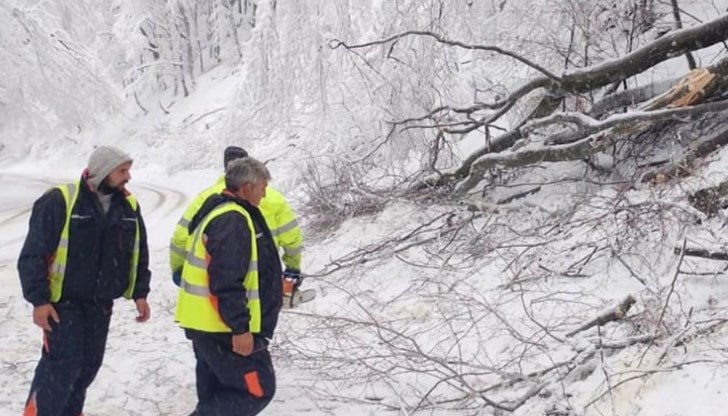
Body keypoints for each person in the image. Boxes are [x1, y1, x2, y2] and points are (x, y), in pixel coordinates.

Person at [18, 145, 152, 416]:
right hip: (63, 304)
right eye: (122, 171)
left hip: (101, 304)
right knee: (61, 367)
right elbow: (34, 252)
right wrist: (39, 300)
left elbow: (138, 252)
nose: (128, 177)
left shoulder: (128, 206)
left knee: (88, 366)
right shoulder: (61, 200)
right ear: (104, 172)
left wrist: (140, 293)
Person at [175, 157, 282, 416]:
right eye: (262, 187)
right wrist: (240, 328)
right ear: (246, 188)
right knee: (256, 390)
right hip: (221, 327)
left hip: (207, 325)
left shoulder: (219, 210)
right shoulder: (232, 219)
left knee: (215, 391)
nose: (265, 194)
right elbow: (226, 280)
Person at [170, 145, 304, 307]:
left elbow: (181, 237)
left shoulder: (206, 198)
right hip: (262, 278)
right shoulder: (272, 197)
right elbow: (292, 238)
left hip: (215, 280)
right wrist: (293, 268)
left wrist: (178, 268)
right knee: (256, 325)